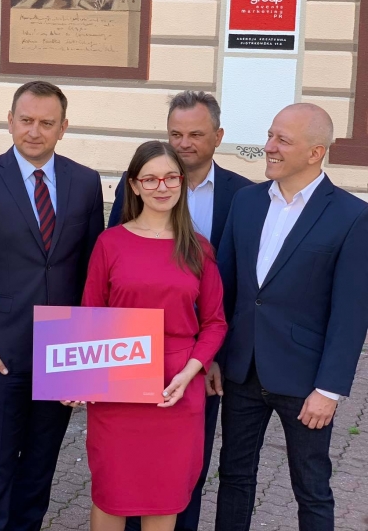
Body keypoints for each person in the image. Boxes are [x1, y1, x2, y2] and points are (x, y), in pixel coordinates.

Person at [0, 81, 104, 531]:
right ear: (10, 121)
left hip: (62, 351)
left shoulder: (85, 182)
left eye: (46, 123)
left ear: (63, 128)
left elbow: (91, 275)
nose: (35, 131)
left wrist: (85, 355)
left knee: (40, 468)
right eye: (26, 120)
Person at [215, 103, 368, 531]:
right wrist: (215, 358)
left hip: (306, 382)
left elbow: (351, 313)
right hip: (242, 370)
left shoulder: (352, 216)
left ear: (315, 152)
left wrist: (329, 390)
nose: (269, 147)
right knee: (234, 478)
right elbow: (226, 288)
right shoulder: (246, 201)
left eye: (282, 140)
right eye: (270, 135)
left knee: (311, 488)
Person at [111, 91, 251, 531]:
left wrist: (209, 359)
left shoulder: (244, 196)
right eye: (176, 134)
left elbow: (237, 288)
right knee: (126, 471)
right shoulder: (136, 187)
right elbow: (112, 280)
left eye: (195, 134)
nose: (184, 143)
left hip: (195, 359)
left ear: (218, 136)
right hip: (131, 358)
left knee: (184, 471)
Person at [72, 140, 227, 531]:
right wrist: (77, 378)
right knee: (111, 494)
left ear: (181, 183)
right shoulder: (110, 243)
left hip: (175, 389)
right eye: (151, 179)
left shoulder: (199, 249)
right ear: (134, 185)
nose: (162, 187)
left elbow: (215, 322)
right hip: (118, 384)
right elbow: (91, 314)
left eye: (171, 177)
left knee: (164, 497)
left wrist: (191, 372)